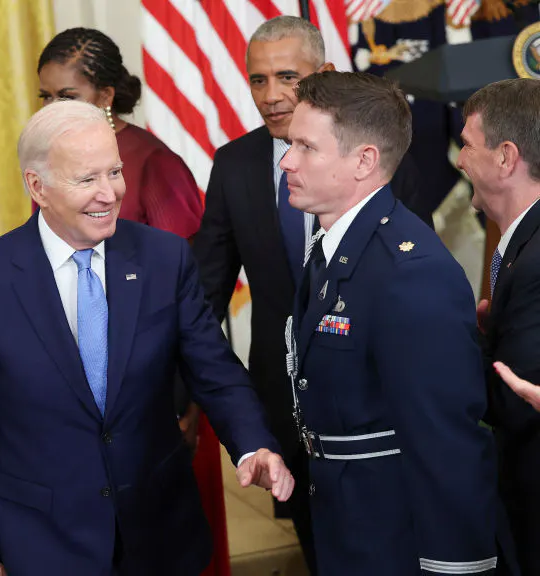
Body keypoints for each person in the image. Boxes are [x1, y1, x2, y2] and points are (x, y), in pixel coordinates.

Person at [0, 100, 294, 575]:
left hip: (162, 537)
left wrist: (254, 444)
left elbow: (214, 369)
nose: (109, 193)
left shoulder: (164, 258)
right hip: (42, 545)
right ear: (36, 186)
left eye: (115, 172)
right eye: (87, 179)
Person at [191, 17, 434, 571]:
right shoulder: (235, 165)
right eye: (257, 80)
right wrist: (190, 389)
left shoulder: (379, 155)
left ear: (324, 75)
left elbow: (412, 284)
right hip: (284, 402)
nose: (271, 95)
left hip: (376, 407)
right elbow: (206, 290)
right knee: (318, 544)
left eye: (287, 77)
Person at [282, 70, 503, 575]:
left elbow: (446, 442)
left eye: (306, 147)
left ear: (364, 160)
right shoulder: (331, 248)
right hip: (344, 515)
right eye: (290, 143)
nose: (287, 160)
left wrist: (456, 566)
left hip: (395, 534)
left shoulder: (408, 273)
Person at [35, 27, 225, 572]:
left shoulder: (154, 164)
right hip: (89, 400)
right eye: (43, 97)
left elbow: (195, 299)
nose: (49, 108)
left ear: (105, 96)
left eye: (64, 96)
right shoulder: (53, 166)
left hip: (161, 398)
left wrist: (187, 407)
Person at [458, 78, 540, 574]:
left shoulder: (534, 264)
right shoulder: (520, 250)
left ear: (505, 158)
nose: (460, 160)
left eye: (467, 145)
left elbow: (516, 398)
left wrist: (449, 344)